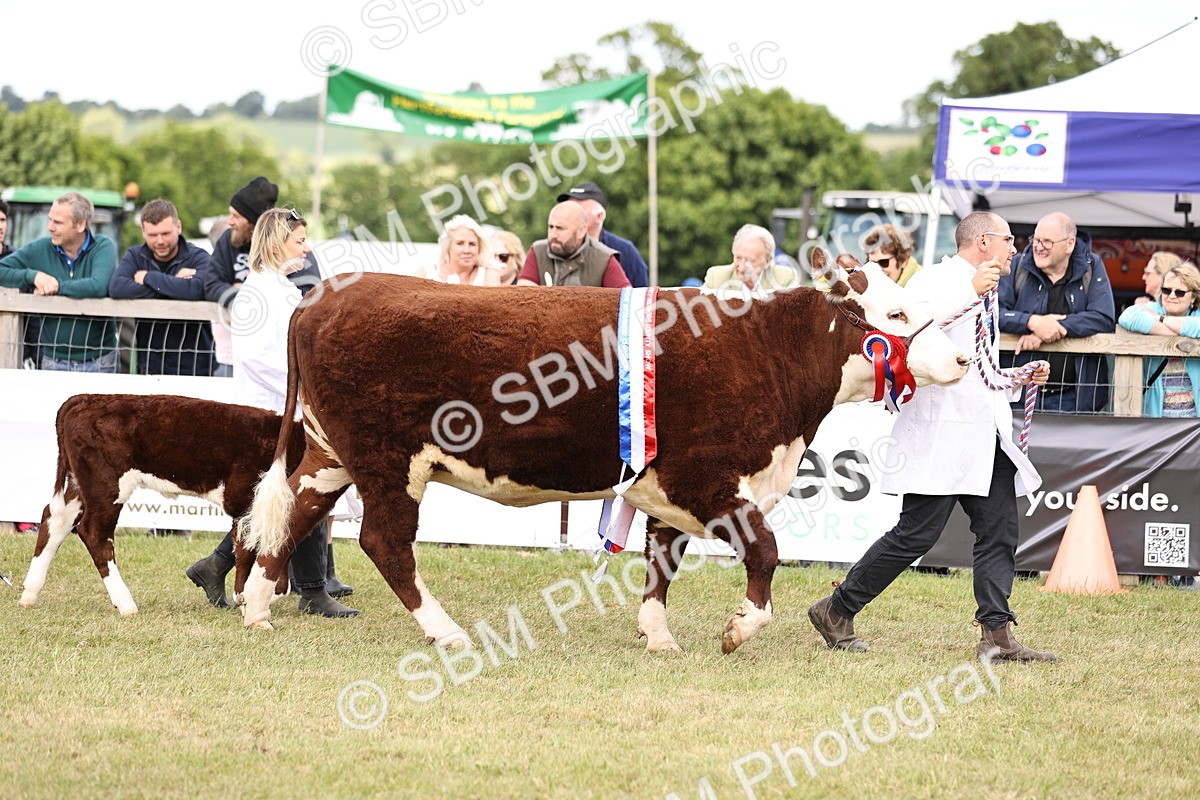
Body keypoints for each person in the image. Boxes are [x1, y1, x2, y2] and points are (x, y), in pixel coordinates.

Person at [808, 211, 1056, 663]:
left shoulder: (988, 289)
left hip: (984, 431)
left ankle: (997, 638)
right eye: (1008, 240)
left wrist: (1017, 377)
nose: (1013, 249)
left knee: (999, 531)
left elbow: (976, 362)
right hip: (940, 430)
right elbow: (904, 330)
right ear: (983, 243)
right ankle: (836, 609)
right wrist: (969, 291)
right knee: (915, 536)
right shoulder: (936, 281)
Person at [187, 208, 355, 617]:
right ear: (279, 242)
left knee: (279, 499)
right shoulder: (258, 294)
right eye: (300, 241)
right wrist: (307, 386)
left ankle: (217, 565)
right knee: (304, 490)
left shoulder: (278, 288)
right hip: (269, 413)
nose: (307, 248)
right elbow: (262, 360)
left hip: (283, 408)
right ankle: (313, 591)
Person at [998, 211, 1116, 413]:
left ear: (1070, 244)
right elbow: (994, 313)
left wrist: (1054, 328)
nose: (1038, 247)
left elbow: (1104, 318)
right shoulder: (1017, 265)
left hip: (1074, 398)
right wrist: (1031, 322)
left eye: (1047, 242)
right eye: (1035, 240)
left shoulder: (1091, 266)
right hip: (1018, 395)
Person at [0, 192, 118, 371]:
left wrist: (55, 286)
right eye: (50, 220)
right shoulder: (40, 248)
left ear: (80, 225)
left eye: (58, 222)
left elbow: (98, 286)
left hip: (100, 361)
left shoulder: (103, 246)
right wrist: (33, 277)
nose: (50, 227)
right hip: (54, 361)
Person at [108, 198, 215, 376]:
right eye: (152, 235)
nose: (159, 241)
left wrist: (149, 277)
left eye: (165, 233)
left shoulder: (198, 257)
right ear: (143, 231)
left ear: (178, 227)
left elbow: (197, 289)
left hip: (196, 364)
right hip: (150, 363)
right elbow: (117, 287)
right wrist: (176, 284)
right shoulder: (135, 256)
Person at [1118, 262, 1200, 417]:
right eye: (1166, 290)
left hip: (1194, 423)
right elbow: (1128, 316)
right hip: (1158, 421)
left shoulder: (1155, 313)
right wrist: (1179, 335)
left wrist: (1158, 319)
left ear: (1193, 298)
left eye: (1180, 292)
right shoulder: (1154, 307)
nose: (1172, 296)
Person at [516, 202, 631, 288]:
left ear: (581, 231)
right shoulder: (538, 251)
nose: (553, 234)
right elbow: (523, 297)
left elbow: (626, 302)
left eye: (560, 228)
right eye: (551, 227)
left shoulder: (604, 258)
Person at [557, 181, 650, 287]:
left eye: (578, 209)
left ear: (600, 216)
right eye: (567, 208)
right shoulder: (553, 248)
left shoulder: (626, 251)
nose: (569, 214)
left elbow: (640, 297)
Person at [702, 224, 799, 294]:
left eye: (750, 261)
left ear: (767, 261)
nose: (742, 268)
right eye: (738, 258)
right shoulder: (715, 277)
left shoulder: (785, 278)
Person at [422, 214, 502, 285]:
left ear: (480, 247)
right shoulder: (426, 273)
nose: (467, 250)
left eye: (472, 244)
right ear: (448, 246)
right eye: (460, 243)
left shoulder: (489, 275)